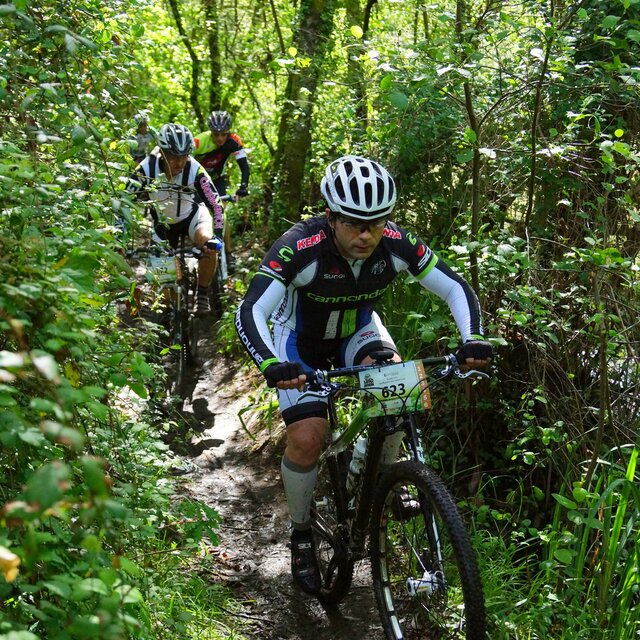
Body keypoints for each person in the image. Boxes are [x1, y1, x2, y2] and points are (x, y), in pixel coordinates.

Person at [234, 155, 493, 594]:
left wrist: (473, 338)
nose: (366, 235)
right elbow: (251, 309)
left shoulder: (395, 243)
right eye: (355, 224)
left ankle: (375, 477)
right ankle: (301, 532)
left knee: (399, 389)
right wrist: (271, 363)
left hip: (358, 331)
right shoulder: (300, 246)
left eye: (376, 223)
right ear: (332, 218)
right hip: (298, 342)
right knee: (307, 438)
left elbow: (455, 286)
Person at [125, 123, 224, 316]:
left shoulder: (195, 170)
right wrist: (119, 238)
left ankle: (202, 293)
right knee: (165, 287)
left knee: (208, 243)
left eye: (184, 156)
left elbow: (216, 205)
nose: (179, 163)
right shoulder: (145, 169)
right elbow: (124, 201)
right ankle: (169, 313)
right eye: (173, 157)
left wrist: (217, 236)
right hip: (162, 224)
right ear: (162, 153)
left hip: (192, 216)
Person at [193, 110, 250, 273]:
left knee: (221, 213)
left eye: (223, 134)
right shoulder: (199, 141)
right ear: (210, 132)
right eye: (216, 134)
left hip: (217, 180)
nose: (219, 138)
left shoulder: (234, 141)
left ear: (228, 133)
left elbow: (244, 166)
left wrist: (243, 186)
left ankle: (229, 253)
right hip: (198, 181)